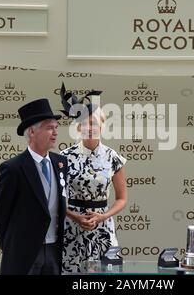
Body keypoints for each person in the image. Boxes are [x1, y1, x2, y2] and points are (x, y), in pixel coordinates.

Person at [0, 98, 68, 275]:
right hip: (24, 253)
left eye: (56, 127)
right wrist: (12, 248)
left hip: (54, 250)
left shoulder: (60, 163)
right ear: (32, 131)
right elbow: (0, 212)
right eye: (50, 127)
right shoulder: (12, 168)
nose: (55, 132)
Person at [59, 84, 128, 273]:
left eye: (95, 123)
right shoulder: (63, 157)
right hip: (71, 226)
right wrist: (76, 217)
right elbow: (57, 197)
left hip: (103, 227)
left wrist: (103, 216)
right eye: (86, 123)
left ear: (103, 126)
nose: (90, 127)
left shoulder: (113, 158)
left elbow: (122, 198)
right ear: (79, 126)